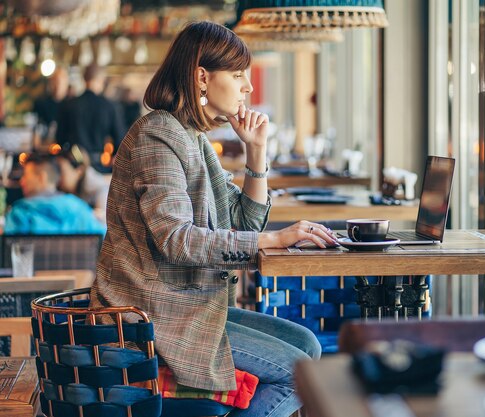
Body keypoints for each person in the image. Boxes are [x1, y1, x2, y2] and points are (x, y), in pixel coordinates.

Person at [89, 21, 338, 417]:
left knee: (308, 344)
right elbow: (177, 239)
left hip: (187, 307)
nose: (248, 87)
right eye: (238, 75)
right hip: (151, 316)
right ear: (202, 77)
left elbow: (244, 223)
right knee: (300, 370)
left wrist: (257, 152)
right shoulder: (159, 136)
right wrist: (275, 240)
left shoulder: (193, 138)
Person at [4, 153, 106, 235]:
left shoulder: (20, 213)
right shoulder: (79, 209)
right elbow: (103, 239)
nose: (22, 181)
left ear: (41, 178)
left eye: (25, 176)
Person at [57, 64, 126, 172]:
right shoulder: (110, 106)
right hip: (100, 166)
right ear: (101, 79)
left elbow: (60, 139)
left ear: (84, 78)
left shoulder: (69, 105)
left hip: (74, 167)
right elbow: (121, 142)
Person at [56, 144, 110, 219]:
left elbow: (104, 224)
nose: (57, 176)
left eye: (61, 171)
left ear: (79, 170)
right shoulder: (62, 190)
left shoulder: (99, 190)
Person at [32, 66, 69, 142]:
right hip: (45, 147)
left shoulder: (73, 105)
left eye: (60, 82)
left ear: (66, 83)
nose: (57, 85)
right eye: (54, 81)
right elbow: (36, 128)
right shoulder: (41, 103)